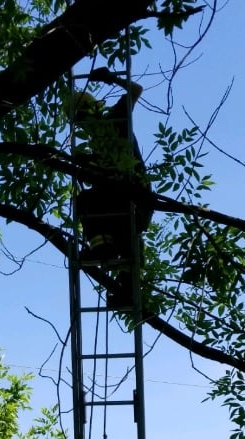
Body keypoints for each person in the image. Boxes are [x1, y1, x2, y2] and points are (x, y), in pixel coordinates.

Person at [73, 67, 154, 310]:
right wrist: (84, 164)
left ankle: (102, 250)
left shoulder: (115, 120)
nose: (83, 125)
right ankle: (124, 288)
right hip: (123, 210)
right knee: (126, 247)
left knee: (85, 201)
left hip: (133, 200)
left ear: (91, 113)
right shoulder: (96, 146)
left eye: (82, 118)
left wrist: (111, 79)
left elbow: (136, 90)